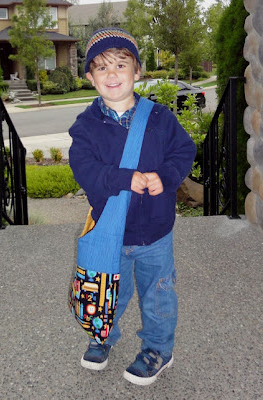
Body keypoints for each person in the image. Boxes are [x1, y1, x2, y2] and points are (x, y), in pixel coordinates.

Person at [69, 27, 196, 386]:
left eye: (121, 65)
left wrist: (166, 177)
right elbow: (86, 169)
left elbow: (183, 151)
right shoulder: (85, 128)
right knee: (110, 288)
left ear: (136, 72)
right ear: (91, 78)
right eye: (102, 68)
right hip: (112, 230)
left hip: (155, 231)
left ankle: (158, 349)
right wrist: (125, 178)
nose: (112, 74)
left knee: (158, 294)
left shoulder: (159, 118)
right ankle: (103, 335)